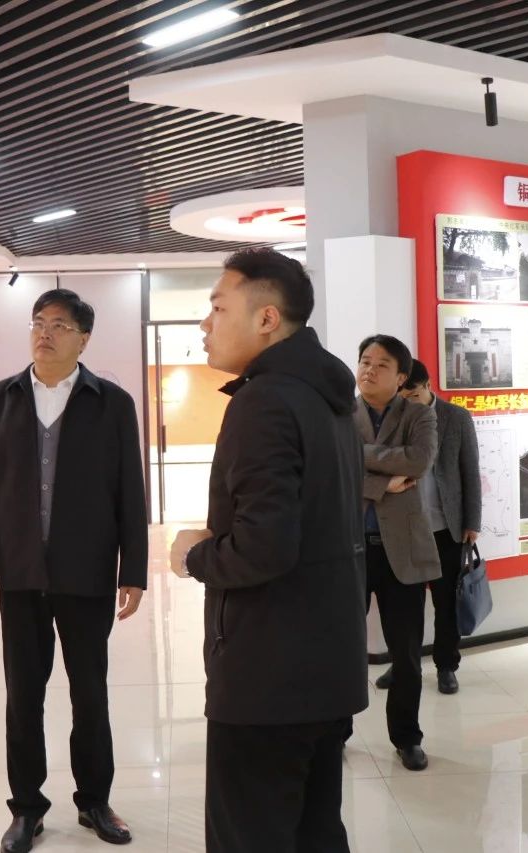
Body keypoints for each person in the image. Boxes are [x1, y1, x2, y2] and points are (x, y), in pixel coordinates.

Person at [168, 248, 368, 853]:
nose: (205, 323)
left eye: (218, 307)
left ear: (266, 319)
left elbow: (263, 548)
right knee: (314, 833)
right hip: (325, 666)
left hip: (266, 677)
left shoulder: (264, 401)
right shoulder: (330, 397)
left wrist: (194, 555)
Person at [0, 289, 147, 853]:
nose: (45, 333)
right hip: (19, 573)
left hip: (87, 572)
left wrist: (134, 570)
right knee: (23, 697)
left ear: (84, 339)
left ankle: (94, 801)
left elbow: (130, 492)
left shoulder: (112, 404)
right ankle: (26, 809)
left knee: (90, 693)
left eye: (60, 325)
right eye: (38, 322)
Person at [353, 335, 439, 772]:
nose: (369, 370)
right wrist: (383, 482)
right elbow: (329, 469)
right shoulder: (338, 413)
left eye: (381, 364)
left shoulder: (419, 414)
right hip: (349, 549)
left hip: (402, 550)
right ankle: (336, 731)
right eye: (364, 361)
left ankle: (407, 737)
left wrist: (361, 458)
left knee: (406, 655)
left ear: (401, 376)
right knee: (341, 649)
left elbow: (419, 461)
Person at [374, 359, 480, 696]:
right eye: (402, 397)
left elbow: (470, 472)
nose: (408, 402)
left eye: (414, 395)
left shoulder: (456, 418)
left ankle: (446, 665)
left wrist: (472, 522)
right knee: (405, 607)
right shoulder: (392, 419)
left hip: (446, 528)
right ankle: (404, 664)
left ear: (428, 386)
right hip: (406, 529)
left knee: (446, 603)